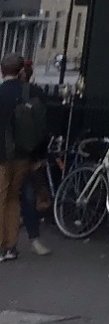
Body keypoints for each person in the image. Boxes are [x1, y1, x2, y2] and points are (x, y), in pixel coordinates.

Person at [0, 53, 50, 261]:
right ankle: (10, 246)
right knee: (13, 198)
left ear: (2, 71)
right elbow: (41, 127)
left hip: (1, 154)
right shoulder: (31, 93)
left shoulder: (1, 93)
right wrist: (38, 155)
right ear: (21, 70)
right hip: (23, 155)